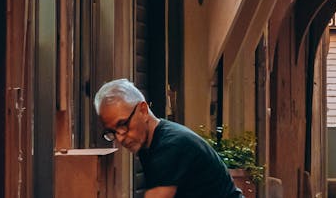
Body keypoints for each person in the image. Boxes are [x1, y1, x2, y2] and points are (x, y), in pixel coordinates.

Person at [95, 78, 244, 198]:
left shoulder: (170, 146)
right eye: (113, 132)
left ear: (143, 110)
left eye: (123, 124)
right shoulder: (150, 143)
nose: (120, 138)